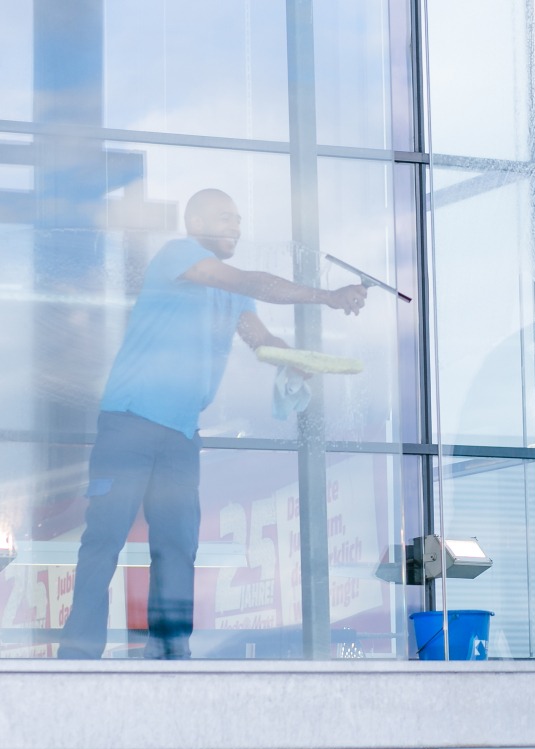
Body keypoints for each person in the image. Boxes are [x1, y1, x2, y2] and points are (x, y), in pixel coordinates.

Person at [57, 188, 368, 659]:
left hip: (181, 435)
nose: (236, 227)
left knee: (178, 545)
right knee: (104, 539)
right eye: (226, 218)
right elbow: (254, 283)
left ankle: (169, 656)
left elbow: (262, 340)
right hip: (129, 423)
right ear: (195, 221)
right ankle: (78, 660)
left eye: (239, 220)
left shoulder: (230, 294)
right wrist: (328, 296)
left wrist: (293, 361)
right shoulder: (180, 256)